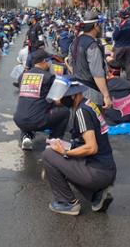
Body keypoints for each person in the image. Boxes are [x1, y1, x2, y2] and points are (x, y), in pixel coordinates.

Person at [42, 83, 116, 216]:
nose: (60, 100)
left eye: (64, 97)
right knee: (57, 155)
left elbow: (91, 147)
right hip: (105, 168)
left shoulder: (82, 112)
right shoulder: (89, 104)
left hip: (98, 171)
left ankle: (67, 203)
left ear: (74, 96)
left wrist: (64, 152)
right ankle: (96, 196)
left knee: (48, 154)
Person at [14, 49, 70, 151]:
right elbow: (57, 100)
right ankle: (53, 142)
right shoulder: (49, 77)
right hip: (37, 120)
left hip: (19, 119)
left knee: (27, 107)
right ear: (44, 61)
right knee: (65, 112)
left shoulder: (23, 75)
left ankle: (26, 136)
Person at [67, 11, 113, 110]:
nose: (100, 27)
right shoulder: (92, 46)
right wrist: (106, 96)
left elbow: (70, 64)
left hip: (77, 91)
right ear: (95, 25)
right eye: (99, 24)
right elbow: (97, 74)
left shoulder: (75, 42)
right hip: (92, 92)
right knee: (94, 121)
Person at [112, 8, 130, 80]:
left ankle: (116, 79)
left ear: (120, 17)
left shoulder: (119, 26)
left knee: (115, 63)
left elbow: (114, 37)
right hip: (129, 47)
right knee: (128, 64)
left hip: (119, 47)